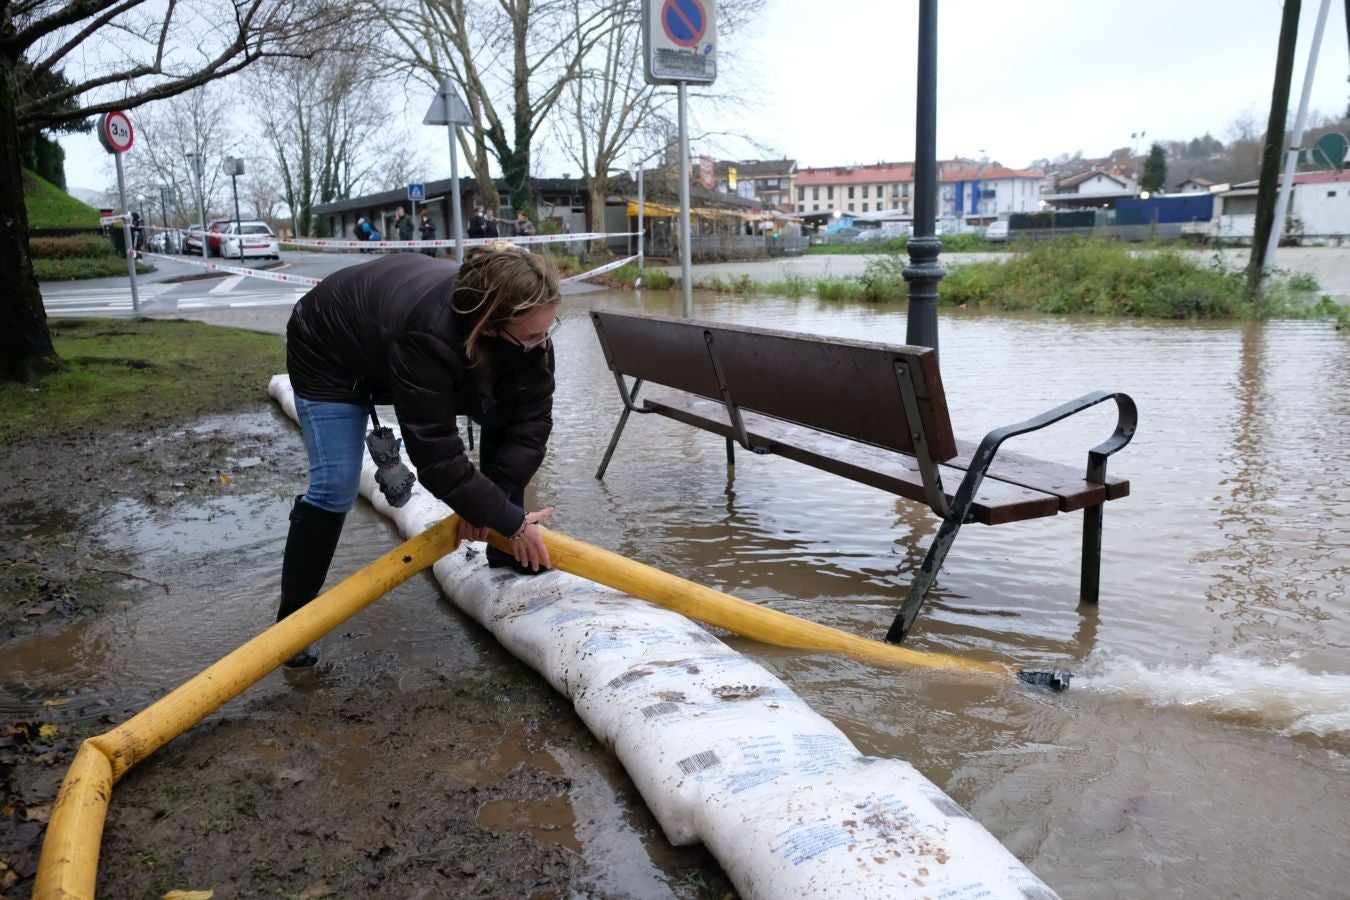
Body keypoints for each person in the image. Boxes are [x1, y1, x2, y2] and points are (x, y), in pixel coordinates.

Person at [277, 246, 561, 669]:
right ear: (489, 326)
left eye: (549, 331)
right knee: (335, 485)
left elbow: (532, 422)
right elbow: (436, 454)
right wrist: (511, 519)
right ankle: (291, 625)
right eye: (532, 337)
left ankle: (504, 551)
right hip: (329, 351)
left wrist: (491, 511)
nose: (543, 346)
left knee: (507, 410)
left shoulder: (527, 340)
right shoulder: (428, 337)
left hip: (391, 336)